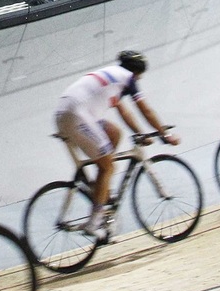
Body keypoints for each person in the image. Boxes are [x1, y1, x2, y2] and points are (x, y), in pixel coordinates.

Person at [54, 51, 176, 241]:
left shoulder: (113, 76)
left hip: (66, 113)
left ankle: (100, 189)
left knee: (114, 133)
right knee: (109, 166)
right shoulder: (127, 78)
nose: (139, 79)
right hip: (77, 116)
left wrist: (139, 133)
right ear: (135, 73)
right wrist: (164, 133)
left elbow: (124, 112)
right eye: (140, 76)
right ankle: (93, 223)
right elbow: (145, 110)